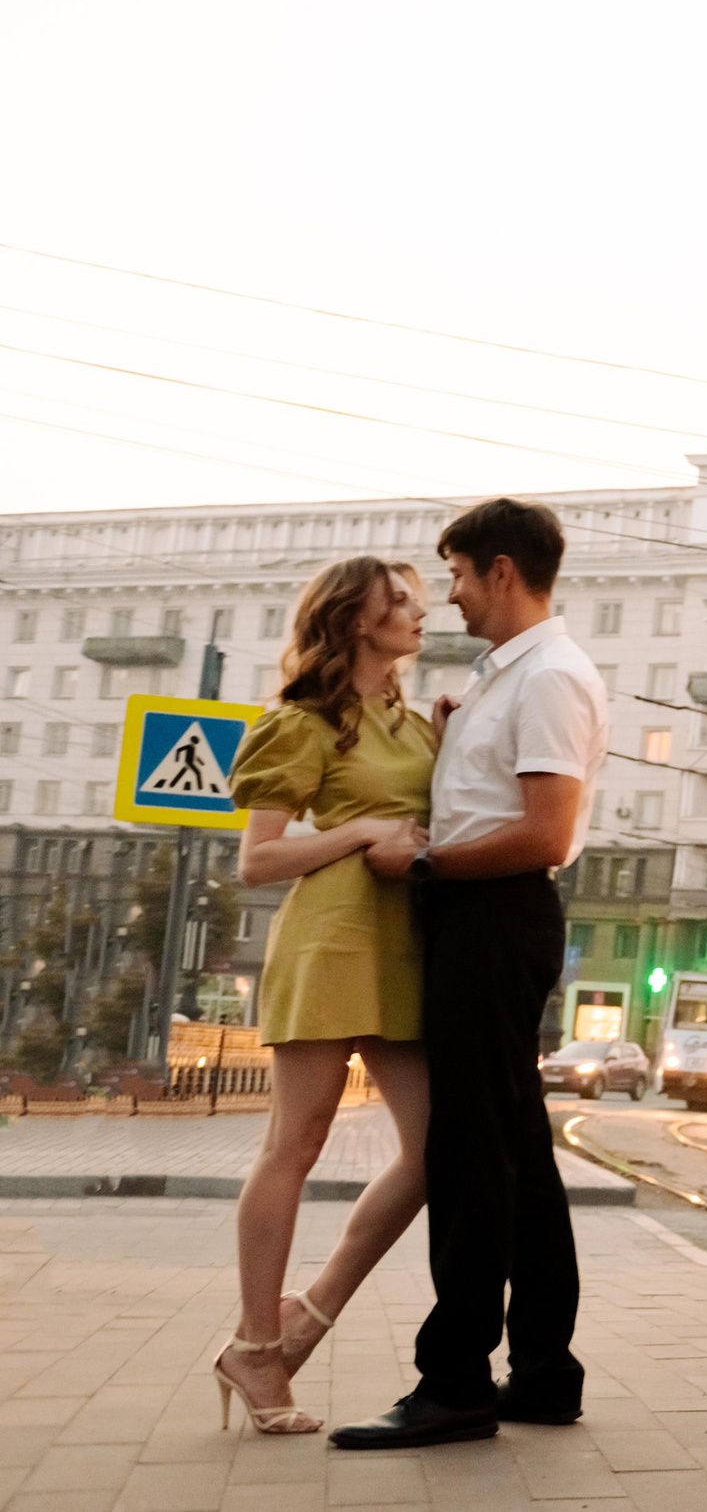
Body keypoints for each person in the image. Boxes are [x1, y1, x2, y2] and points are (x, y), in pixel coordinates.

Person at [330, 498, 609, 1450]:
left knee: (466, 1152)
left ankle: (454, 1381)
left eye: (453, 575)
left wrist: (419, 864)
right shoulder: (503, 679)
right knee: (517, 1152)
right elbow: (495, 798)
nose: (446, 595)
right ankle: (543, 1369)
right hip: (479, 920)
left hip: (493, 918)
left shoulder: (552, 677)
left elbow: (545, 831)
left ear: (499, 570)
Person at [215, 557, 437, 1435]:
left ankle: (307, 1315)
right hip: (328, 942)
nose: (421, 612)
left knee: (434, 1151)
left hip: (402, 948)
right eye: (401, 601)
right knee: (293, 1146)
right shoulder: (304, 724)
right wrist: (356, 829)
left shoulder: (414, 725)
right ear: (355, 620)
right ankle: (258, 1346)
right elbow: (257, 859)